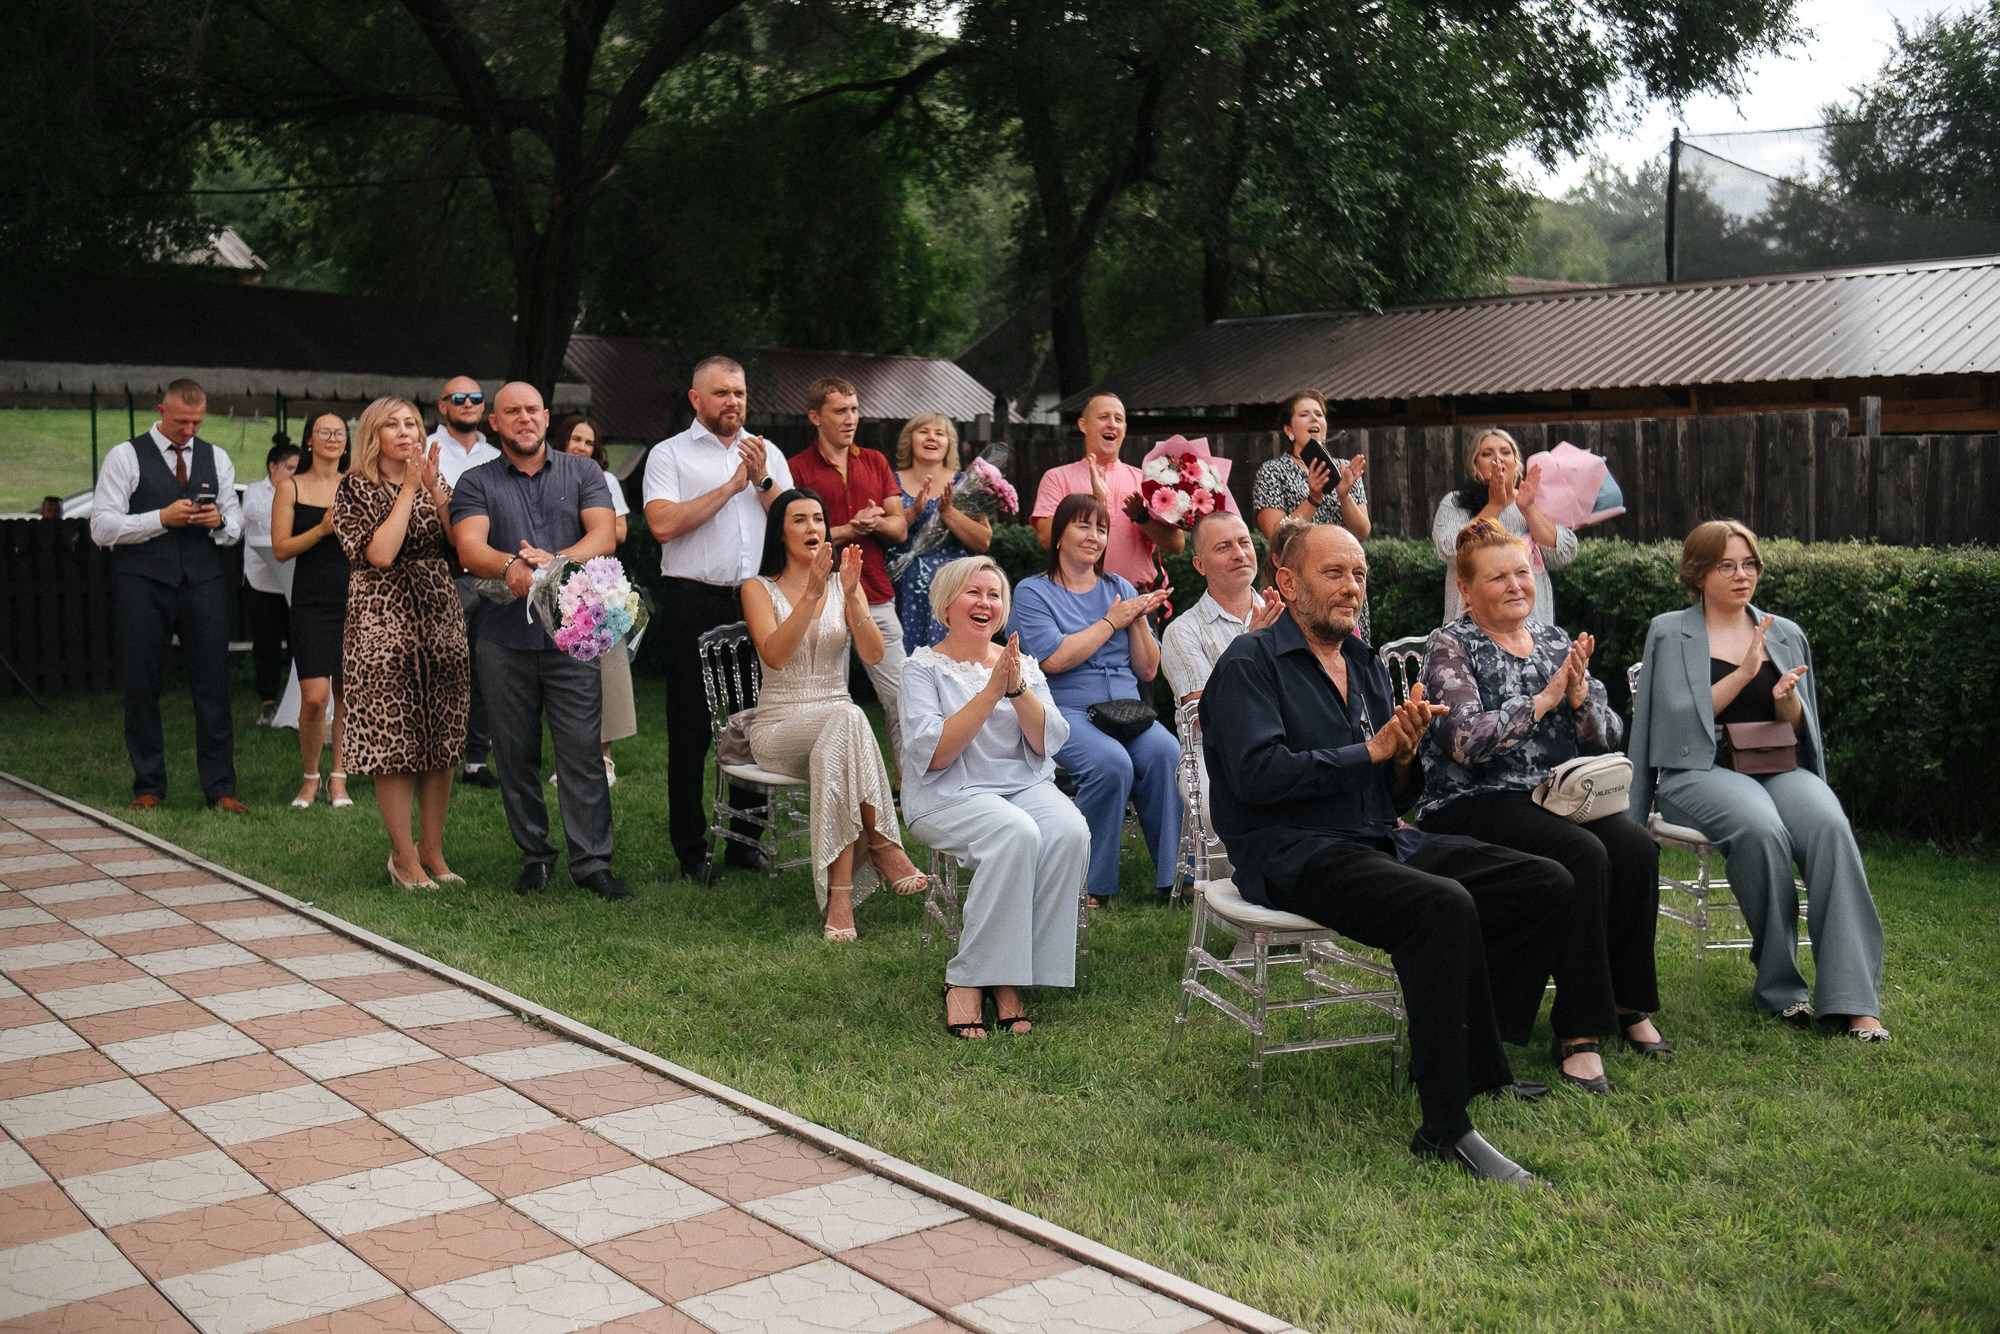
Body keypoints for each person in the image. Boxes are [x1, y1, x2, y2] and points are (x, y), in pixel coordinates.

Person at [1202, 522, 1571, 1186]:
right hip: (1293, 852)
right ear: (1287, 583)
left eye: (1360, 575)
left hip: (1377, 836)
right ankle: (1445, 1128)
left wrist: (1401, 756)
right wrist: (1368, 752)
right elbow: (1258, 778)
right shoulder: (1249, 664)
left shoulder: (1365, 661)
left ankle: (1475, 1058)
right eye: (1334, 573)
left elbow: (1392, 791)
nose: (1352, 587)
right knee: (1441, 906)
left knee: (1544, 883)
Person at [1414, 520, 1671, 1094]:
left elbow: (1607, 737)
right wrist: (1546, 698)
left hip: (1557, 796)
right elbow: (1465, 741)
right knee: (1582, 854)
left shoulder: (1555, 641)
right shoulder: (1450, 646)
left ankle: (1627, 1001)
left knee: (1635, 848)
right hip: (1472, 800)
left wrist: (1579, 701)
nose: (1515, 585)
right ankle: (1579, 1032)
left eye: (1522, 573)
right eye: (1497, 577)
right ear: (1465, 587)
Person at [1629, 520, 1889, 1040]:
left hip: (1776, 764)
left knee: (1830, 828)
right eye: (1726, 565)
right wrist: (1744, 673)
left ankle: (1854, 1000)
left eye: (1749, 564)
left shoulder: (1784, 632)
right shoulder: (1670, 631)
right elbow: (1675, 723)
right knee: (1761, 828)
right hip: (1697, 771)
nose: (1741, 575)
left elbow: (1800, 727)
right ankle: (1781, 988)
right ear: (1698, 574)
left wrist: (1785, 701)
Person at [452, 383, 628, 902]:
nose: (524, 418)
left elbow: (604, 536)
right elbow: (470, 547)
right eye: (512, 411)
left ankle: (592, 864)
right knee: (515, 754)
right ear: (495, 423)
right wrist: (510, 564)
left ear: (546, 417)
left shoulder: (583, 472)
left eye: (532, 410)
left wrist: (554, 563)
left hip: (573, 639)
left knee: (581, 752)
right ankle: (535, 857)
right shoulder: (476, 480)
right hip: (503, 639)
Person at [901, 557, 1087, 1038]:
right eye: (973, 592)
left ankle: (1012, 970)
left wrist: (1017, 686)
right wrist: (990, 691)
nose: (985, 602)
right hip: (948, 791)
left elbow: (1046, 741)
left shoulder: (1020, 664)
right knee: (1015, 833)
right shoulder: (921, 669)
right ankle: (967, 978)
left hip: (1021, 785)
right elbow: (937, 753)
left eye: (994, 594)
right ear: (946, 605)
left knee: (1069, 831)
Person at [742, 488, 928, 940]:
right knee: (850, 718)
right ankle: (882, 844)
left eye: (818, 519)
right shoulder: (757, 589)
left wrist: (853, 598)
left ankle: (840, 898)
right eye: (800, 520)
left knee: (841, 735)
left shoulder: (843, 582)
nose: (813, 528)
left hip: (836, 729)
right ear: (780, 533)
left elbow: (874, 653)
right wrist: (809, 595)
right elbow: (775, 657)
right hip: (779, 728)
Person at [643, 356, 793, 882]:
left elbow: (794, 520)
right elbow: (663, 525)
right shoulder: (669, 454)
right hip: (693, 599)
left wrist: (763, 479)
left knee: (756, 722)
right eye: (722, 392)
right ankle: (690, 849)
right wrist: (732, 486)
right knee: (690, 728)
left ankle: (745, 842)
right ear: (696, 399)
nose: (734, 402)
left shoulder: (767, 452)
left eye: (740, 393)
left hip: (755, 600)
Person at [1011, 494, 1181, 906]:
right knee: (1110, 764)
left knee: (1166, 752)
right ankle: (1089, 880)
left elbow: (1148, 670)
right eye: (1083, 526)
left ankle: (1176, 877)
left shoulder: (1119, 588)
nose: (1094, 537)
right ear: (1059, 535)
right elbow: (1054, 659)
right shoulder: (1033, 592)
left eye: (1102, 529)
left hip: (1127, 710)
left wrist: (1137, 618)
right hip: (1065, 710)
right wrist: (1111, 621)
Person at [88, 378, 246, 812]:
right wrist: (160, 518)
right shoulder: (125, 456)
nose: (189, 430)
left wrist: (218, 522)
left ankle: (221, 788)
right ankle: (149, 785)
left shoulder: (217, 457)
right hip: (143, 581)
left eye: (197, 422)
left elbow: (235, 527)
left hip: (203, 581)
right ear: (161, 411)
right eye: (181, 422)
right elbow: (101, 527)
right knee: (142, 683)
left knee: (213, 684)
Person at [334, 397, 469, 887]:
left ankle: (432, 851)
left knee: (441, 738)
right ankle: (403, 856)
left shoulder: (432, 478)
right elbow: (382, 554)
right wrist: (409, 490)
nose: (405, 431)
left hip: (440, 623)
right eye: (392, 424)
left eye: (411, 422)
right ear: (373, 435)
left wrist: (434, 490)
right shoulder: (354, 488)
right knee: (395, 743)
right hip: (382, 628)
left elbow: (459, 545)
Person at [786, 378, 910, 783]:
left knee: (903, 698)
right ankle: (834, 789)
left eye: (854, 410)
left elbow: (899, 528)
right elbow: (795, 537)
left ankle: (910, 790)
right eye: (840, 411)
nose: (851, 418)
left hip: (875, 593)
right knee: (830, 703)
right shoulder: (797, 468)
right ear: (815, 416)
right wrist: (849, 529)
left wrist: (876, 523)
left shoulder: (875, 461)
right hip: (821, 597)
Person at [1033, 393, 1224, 587]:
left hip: (1136, 596)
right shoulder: (1057, 477)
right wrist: (1094, 500)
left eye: (1118, 419)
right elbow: (1045, 538)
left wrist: (1142, 517)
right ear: (1083, 425)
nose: (1111, 424)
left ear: (1124, 429)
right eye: (1103, 417)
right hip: (1074, 596)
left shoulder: (1147, 481)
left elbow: (1176, 545)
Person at [272, 413, 353, 811]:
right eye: (325, 431)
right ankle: (310, 777)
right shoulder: (290, 486)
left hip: (354, 599)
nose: (333, 438)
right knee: (315, 697)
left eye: (340, 432)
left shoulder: (356, 485)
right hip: (311, 603)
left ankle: (339, 778)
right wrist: (321, 530)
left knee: (347, 694)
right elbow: (280, 548)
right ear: (309, 440)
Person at [429, 375, 504, 790]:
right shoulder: (424, 449)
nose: (468, 403)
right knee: (442, 668)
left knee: (487, 668)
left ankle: (476, 759)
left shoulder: (498, 456)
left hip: (490, 575)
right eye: (459, 397)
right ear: (443, 405)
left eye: (476, 397)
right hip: (441, 575)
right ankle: (433, 755)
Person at [1251, 389, 1371, 641]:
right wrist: (1314, 498)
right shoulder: (1272, 472)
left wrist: (1344, 494)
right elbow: (1276, 533)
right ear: (1289, 429)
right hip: (1298, 583)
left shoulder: (1343, 469)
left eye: (1319, 414)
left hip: (1342, 580)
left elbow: (1362, 531)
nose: (1314, 419)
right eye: (1305, 414)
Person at [555, 413, 634, 786]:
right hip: (555, 581)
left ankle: (604, 758)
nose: (581, 447)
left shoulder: (606, 481)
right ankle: (570, 758)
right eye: (575, 439)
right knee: (563, 676)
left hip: (597, 583)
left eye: (588, 442)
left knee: (605, 669)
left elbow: (619, 532)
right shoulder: (548, 478)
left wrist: (586, 527)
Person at [1432, 428, 1576, 625]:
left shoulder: (1535, 501)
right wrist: (1494, 505)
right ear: (1474, 466)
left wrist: (1528, 509)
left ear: (1516, 463)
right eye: (1487, 454)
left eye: (1505, 452)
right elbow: (1449, 550)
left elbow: (1563, 554)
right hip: (1472, 626)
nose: (1497, 458)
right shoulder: (1455, 503)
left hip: (1531, 623)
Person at [887, 413, 992, 652]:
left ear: (949, 444)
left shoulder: (964, 483)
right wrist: (914, 510)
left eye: (940, 433)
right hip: (900, 586)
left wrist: (948, 512)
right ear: (909, 439)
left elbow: (983, 540)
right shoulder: (890, 481)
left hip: (952, 588)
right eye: (923, 431)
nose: (931, 437)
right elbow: (882, 532)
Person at [1159, 511, 1284, 703]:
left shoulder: (1283, 615)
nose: (1240, 554)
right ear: (1200, 565)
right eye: (1223, 547)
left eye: (1244, 543)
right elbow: (1205, 713)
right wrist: (1250, 648)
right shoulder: (1183, 631)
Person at [242, 439, 300, 726]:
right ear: (272, 466)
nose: (293, 473)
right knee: (266, 643)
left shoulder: (302, 489)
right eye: (289, 468)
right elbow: (253, 514)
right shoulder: (254, 491)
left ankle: (300, 700)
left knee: (299, 640)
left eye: (298, 469)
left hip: (295, 577)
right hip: (262, 580)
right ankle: (268, 701)